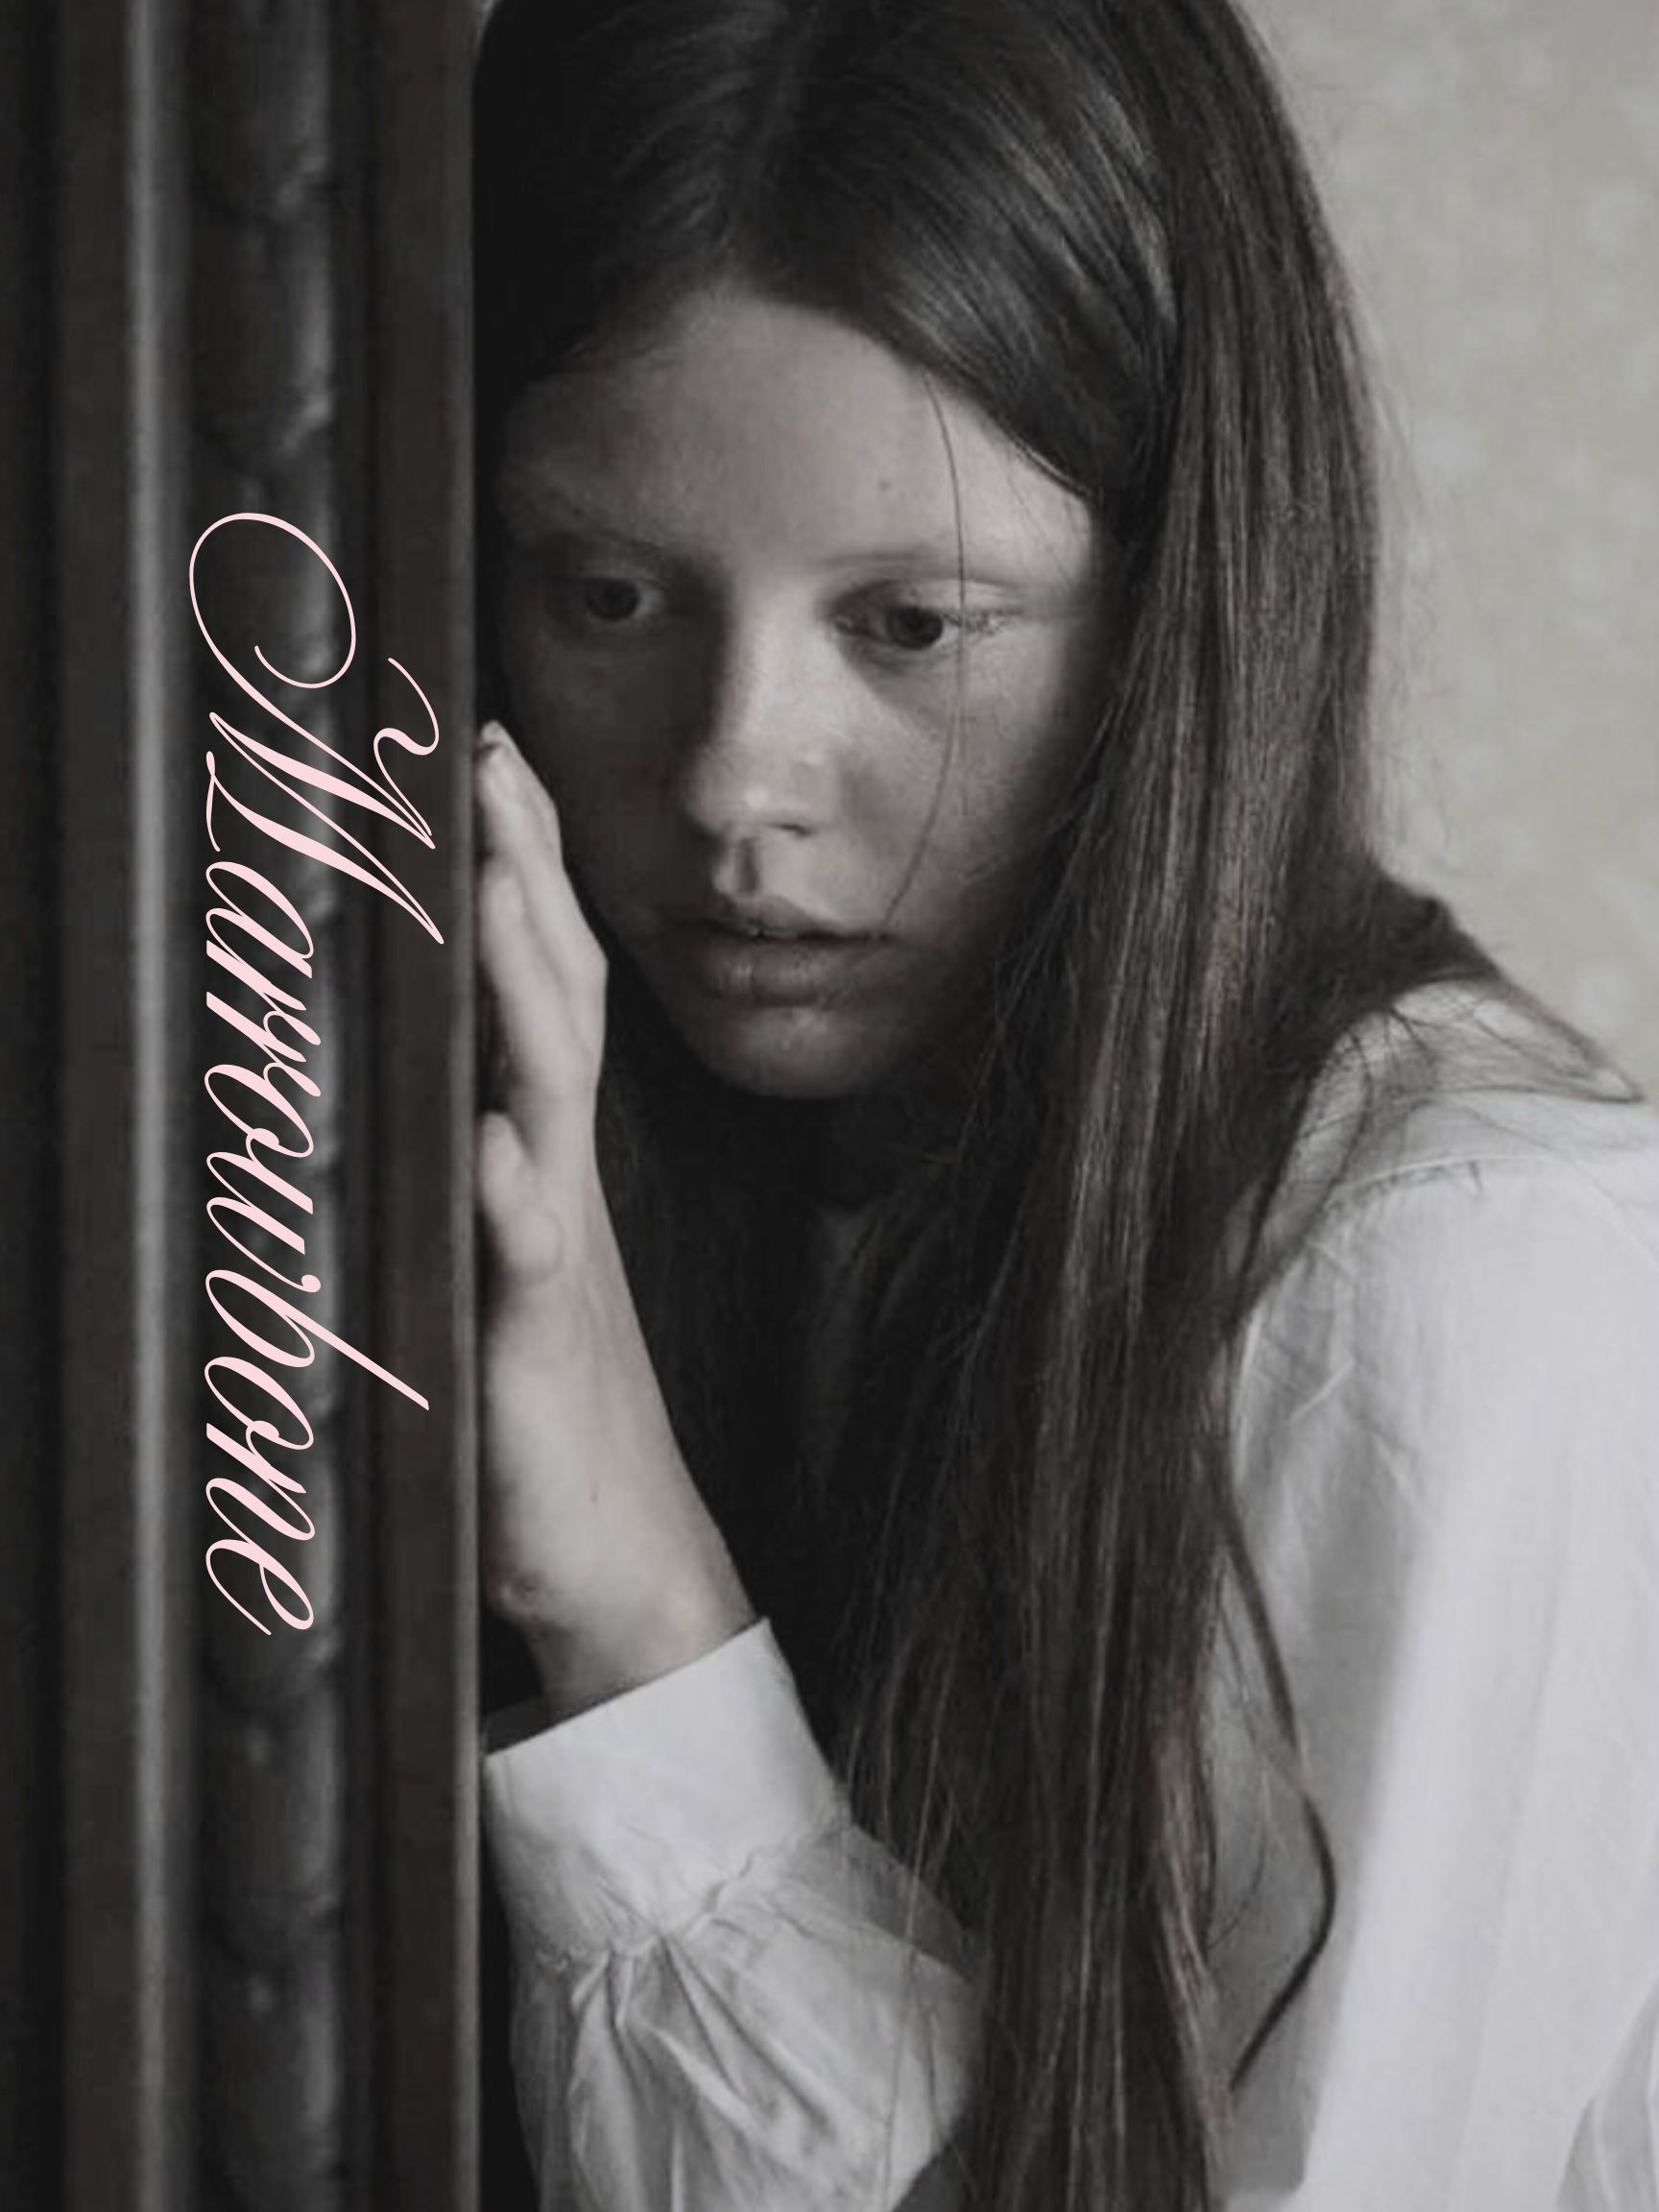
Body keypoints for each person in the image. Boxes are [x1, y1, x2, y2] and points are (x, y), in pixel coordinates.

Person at [469, 1, 1659, 2206]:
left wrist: (637, 1605)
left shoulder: (1457, 1291)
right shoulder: (752, 1191)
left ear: (1172, 610)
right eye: (607, 595)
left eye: (913, 626)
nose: (735, 778)